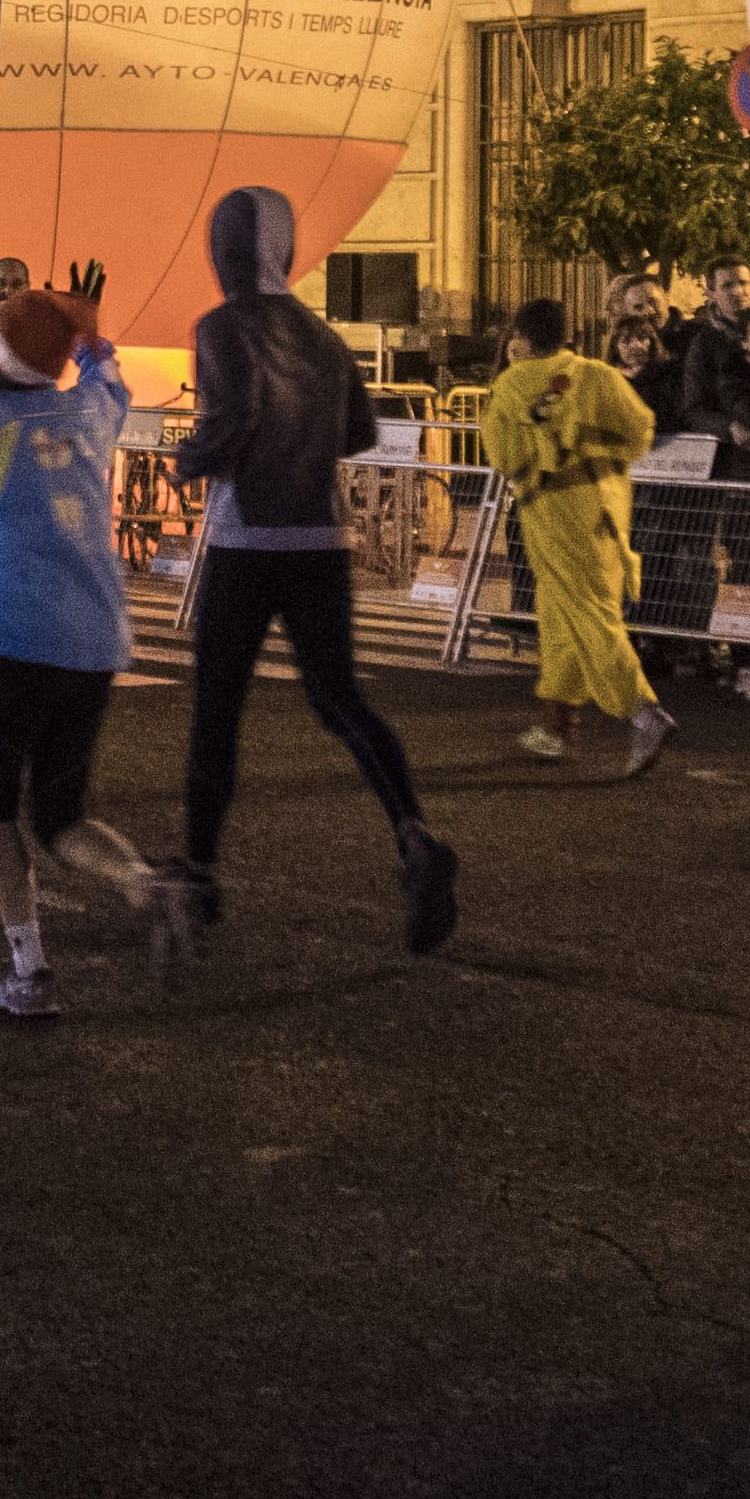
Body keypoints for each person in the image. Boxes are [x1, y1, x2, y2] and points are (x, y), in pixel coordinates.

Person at [167, 183, 455, 960]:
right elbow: (359, 431)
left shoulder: (221, 328)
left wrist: (186, 462)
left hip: (245, 540)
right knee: (341, 700)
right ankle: (413, 832)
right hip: (319, 537)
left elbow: (231, 420)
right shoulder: (324, 339)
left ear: (223, 248)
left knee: (217, 710)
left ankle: (198, 869)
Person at [0, 264, 186, 1018]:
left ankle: (29, 968)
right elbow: (112, 376)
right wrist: (90, 327)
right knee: (62, 815)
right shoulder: (86, 414)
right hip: (96, 638)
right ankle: (145, 881)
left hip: (16, 638)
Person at [476, 299, 668, 770]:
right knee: (563, 614)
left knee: (585, 612)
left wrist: (548, 446)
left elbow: (506, 456)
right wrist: (595, 451)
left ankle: (643, 710)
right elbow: (642, 429)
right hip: (604, 506)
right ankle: (555, 728)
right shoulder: (599, 375)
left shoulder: (511, 383)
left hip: (552, 510)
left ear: (521, 336)